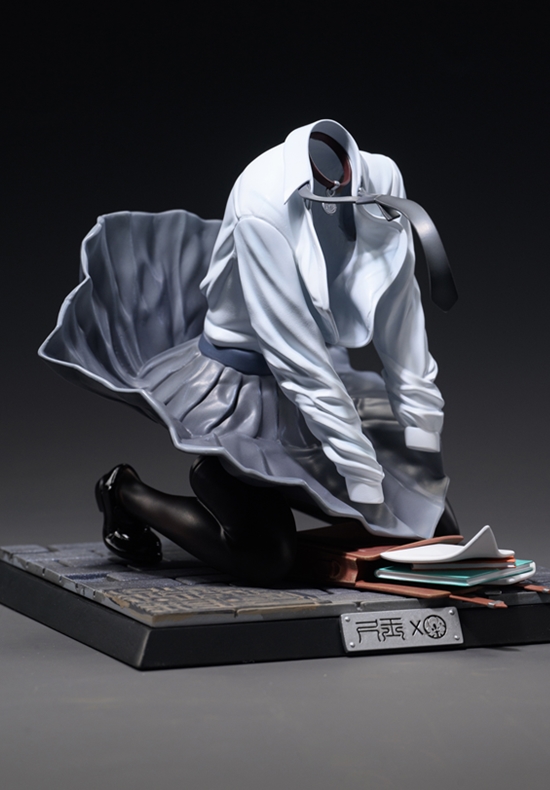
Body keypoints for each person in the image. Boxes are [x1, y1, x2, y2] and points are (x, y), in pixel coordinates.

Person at [40, 119, 458, 584]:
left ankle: (255, 483)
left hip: (312, 383)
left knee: (436, 530)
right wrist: (360, 468)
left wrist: (421, 422)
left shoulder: (381, 177)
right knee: (265, 555)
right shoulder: (263, 195)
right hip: (237, 388)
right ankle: (129, 492)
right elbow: (290, 347)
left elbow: (399, 302)